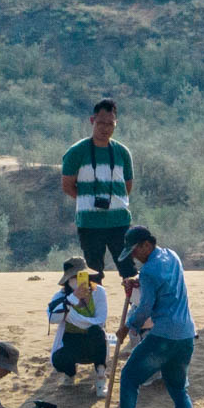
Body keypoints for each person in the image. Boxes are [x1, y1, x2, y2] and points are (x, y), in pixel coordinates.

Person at [113, 226, 200, 408]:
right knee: (178, 388)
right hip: (186, 336)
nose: (133, 256)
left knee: (129, 376)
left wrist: (127, 327)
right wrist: (138, 281)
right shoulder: (172, 255)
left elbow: (145, 309)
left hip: (163, 337)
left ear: (147, 245)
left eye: (135, 250)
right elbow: (165, 282)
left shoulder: (149, 271)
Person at [61, 99, 136, 281]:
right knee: (92, 274)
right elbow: (67, 186)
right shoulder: (76, 151)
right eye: (101, 123)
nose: (105, 128)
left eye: (110, 124)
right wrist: (88, 200)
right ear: (92, 121)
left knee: (130, 272)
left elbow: (127, 186)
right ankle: (92, 309)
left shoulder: (122, 152)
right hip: (90, 224)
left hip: (119, 222)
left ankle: (138, 309)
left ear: (115, 124)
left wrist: (113, 201)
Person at [48, 256, 111, 397]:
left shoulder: (98, 292)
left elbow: (100, 320)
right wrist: (72, 298)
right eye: (73, 277)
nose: (78, 280)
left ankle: (101, 377)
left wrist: (71, 316)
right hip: (71, 342)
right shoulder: (61, 296)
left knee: (97, 331)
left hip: (94, 343)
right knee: (58, 359)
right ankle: (70, 373)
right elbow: (53, 318)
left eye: (81, 276)